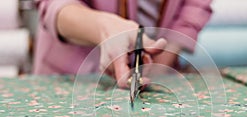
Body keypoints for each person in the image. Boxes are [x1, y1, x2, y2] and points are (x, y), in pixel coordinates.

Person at [33, 0, 212, 88]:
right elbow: (52, 4)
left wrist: (163, 59)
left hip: (158, 75)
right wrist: (105, 28)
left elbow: (194, 6)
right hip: (72, 77)